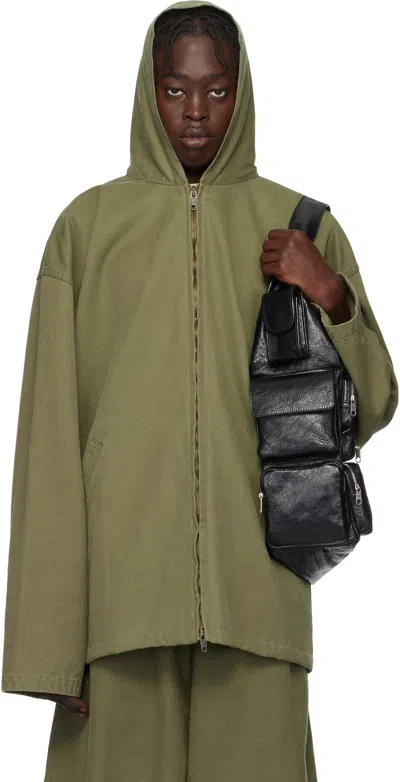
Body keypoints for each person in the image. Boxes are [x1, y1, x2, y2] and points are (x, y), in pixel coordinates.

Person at [1, 1, 397, 780]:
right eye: (175, 89)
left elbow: (375, 404)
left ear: (240, 93)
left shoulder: (303, 225)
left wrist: (332, 294)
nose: (194, 112)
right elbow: (47, 442)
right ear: (147, 90)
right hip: (119, 609)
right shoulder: (86, 229)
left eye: (216, 91)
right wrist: (50, 645)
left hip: (259, 597)